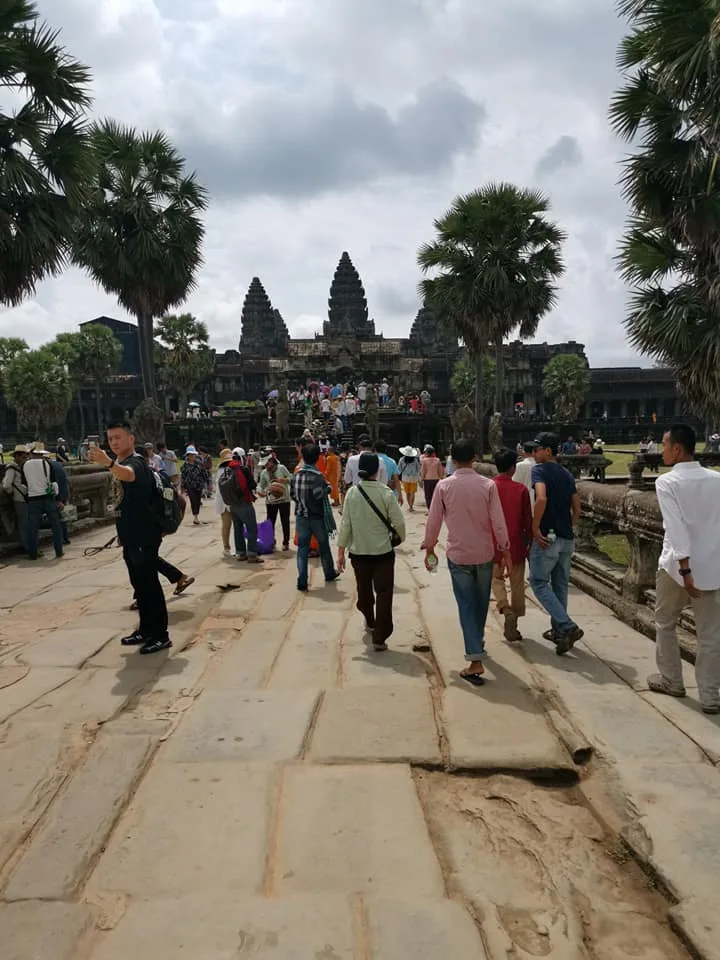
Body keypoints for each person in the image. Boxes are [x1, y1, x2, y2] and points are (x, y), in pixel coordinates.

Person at [422, 439, 511, 685]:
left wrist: (429, 545)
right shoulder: (487, 485)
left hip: (459, 554)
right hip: (484, 552)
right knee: (480, 602)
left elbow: (434, 519)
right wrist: (505, 549)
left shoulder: (444, 486)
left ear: (451, 458)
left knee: (466, 604)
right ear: (474, 457)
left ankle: (474, 658)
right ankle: (476, 643)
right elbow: (498, 520)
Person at [647, 423, 720, 714]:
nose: (662, 450)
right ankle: (710, 695)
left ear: (677, 449)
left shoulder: (667, 482)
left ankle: (672, 680)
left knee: (665, 622)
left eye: (664, 445)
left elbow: (676, 529)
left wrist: (686, 570)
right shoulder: (717, 480)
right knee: (710, 635)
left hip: (676, 568)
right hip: (712, 567)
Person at [88, 422, 171, 654]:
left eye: (118, 437)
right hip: (131, 536)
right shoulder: (121, 463)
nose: (114, 442)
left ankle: (161, 635)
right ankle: (146, 629)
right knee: (139, 586)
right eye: (110, 439)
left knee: (150, 585)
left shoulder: (136, 462)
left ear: (131, 439)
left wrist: (108, 462)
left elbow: (129, 475)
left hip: (145, 535)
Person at [338, 452, 406, 651]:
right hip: (383, 551)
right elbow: (399, 522)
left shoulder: (352, 493)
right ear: (378, 470)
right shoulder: (385, 492)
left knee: (364, 589)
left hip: (359, 552)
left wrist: (340, 552)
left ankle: (369, 618)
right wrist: (399, 539)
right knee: (384, 592)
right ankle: (380, 636)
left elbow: (345, 525)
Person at [528, 432, 583, 655]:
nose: (533, 453)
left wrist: (535, 527)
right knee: (560, 585)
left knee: (538, 582)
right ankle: (560, 632)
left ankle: (567, 625)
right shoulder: (567, 474)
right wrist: (567, 526)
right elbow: (577, 508)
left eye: (537, 449)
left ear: (548, 451)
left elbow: (541, 497)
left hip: (547, 537)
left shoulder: (539, 470)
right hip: (565, 538)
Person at [492, 448, 532, 642]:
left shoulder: (488, 487)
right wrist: (530, 540)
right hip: (515, 542)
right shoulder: (521, 489)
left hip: (493, 542)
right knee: (517, 582)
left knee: (496, 579)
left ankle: (504, 607)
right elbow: (527, 520)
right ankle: (514, 618)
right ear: (513, 468)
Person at [291, 443, 339, 591]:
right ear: (318, 458)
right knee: (323, 546)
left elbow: (293, 495)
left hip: (301, 516)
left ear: (303, 456)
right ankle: (329, 573)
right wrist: (328, 488)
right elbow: (318, 495)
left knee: (302, 550)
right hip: (316, 516)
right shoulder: (317, 476)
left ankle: (302, 580)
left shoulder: (296, 475)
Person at [23, 447, 65, 561]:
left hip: (33, 498)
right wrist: (58, 499)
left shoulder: (25, 465)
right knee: (55, 525)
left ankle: (33, 553)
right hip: (47, 498)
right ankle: (59, 551)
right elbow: (54, 484)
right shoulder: (47, 464)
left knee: (33, 527)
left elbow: (24, 484)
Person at [224, 448, 263, 563]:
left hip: (232, 505)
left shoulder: (227, 469)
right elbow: (252, 484)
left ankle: (240, 553)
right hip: (244, 503)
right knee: (252, 528)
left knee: (237, 529)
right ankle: (252, 554)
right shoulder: (243, 469)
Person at [257, 451, 292, 550]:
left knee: (285, 521)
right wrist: (260, 492)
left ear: (271, 461)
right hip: (271, 501)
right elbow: (261, 485)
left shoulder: (281, 468)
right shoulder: (264, 473)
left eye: (267, 464)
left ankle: (286, 542)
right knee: (270, 522)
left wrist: (284, 480)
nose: (266, 466)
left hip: (284, 500)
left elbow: (291, 478)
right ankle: (271, 541)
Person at [2, 444, 30, 553]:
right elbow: (7, 485)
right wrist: (13, 493)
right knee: (23, 525)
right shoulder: (11, 468)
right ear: (17, 456)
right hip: (19, 499)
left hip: (24, 498)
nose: (25, 459)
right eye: (23, 457)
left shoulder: (21, 467)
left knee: (26, 523)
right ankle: (27, 547)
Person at [181, 445, 208, 525]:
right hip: (190, 486)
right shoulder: (185, 465)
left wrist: (206, 483)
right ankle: (195, 517)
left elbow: (204, 473)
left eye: (193, 455)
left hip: (199, 485)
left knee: (198, 500)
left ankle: (196, 515)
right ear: (187, 455)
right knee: (193, 500)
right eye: (190, 455)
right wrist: (183, 487)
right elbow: (183, 476)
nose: (192, 456)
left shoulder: (199, 463)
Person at [215, 448, 234, 554]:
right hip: (230, 501)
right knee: (231, 525)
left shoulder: (219, 470)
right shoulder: (233, 469)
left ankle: (227, 547)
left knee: (226, 525)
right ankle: (229, 547)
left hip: (223, 501)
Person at [373, 439, 403, 504]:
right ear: (386, 450)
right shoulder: (392, 461)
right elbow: (396, 480)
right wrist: (400, 495)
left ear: (375, 449)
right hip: (388, 493)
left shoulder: (371, 460)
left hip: (374, 492)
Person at [52, 454, 72, 546]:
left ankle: (61, 539)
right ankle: (65, 538)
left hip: (58, 495)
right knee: (62, 518)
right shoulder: (57, 464)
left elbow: (55, 483)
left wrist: (58, 499)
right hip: (64, 493)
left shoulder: (50, 466)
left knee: (57, 519)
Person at [397, 445, 420, 511]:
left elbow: (399, 469)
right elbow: (418, 469)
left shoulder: (401, 459)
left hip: (405, 478)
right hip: (414, 478)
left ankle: (409, 506)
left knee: (407, 493)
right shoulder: (415, 460)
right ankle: (411, 507)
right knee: (412, 493)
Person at [513, 442, 536, 506]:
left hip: (523, 499)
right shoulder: (540, 465)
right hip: (538, 499)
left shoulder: (519, 465)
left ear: (524, 451)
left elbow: (515, 484)